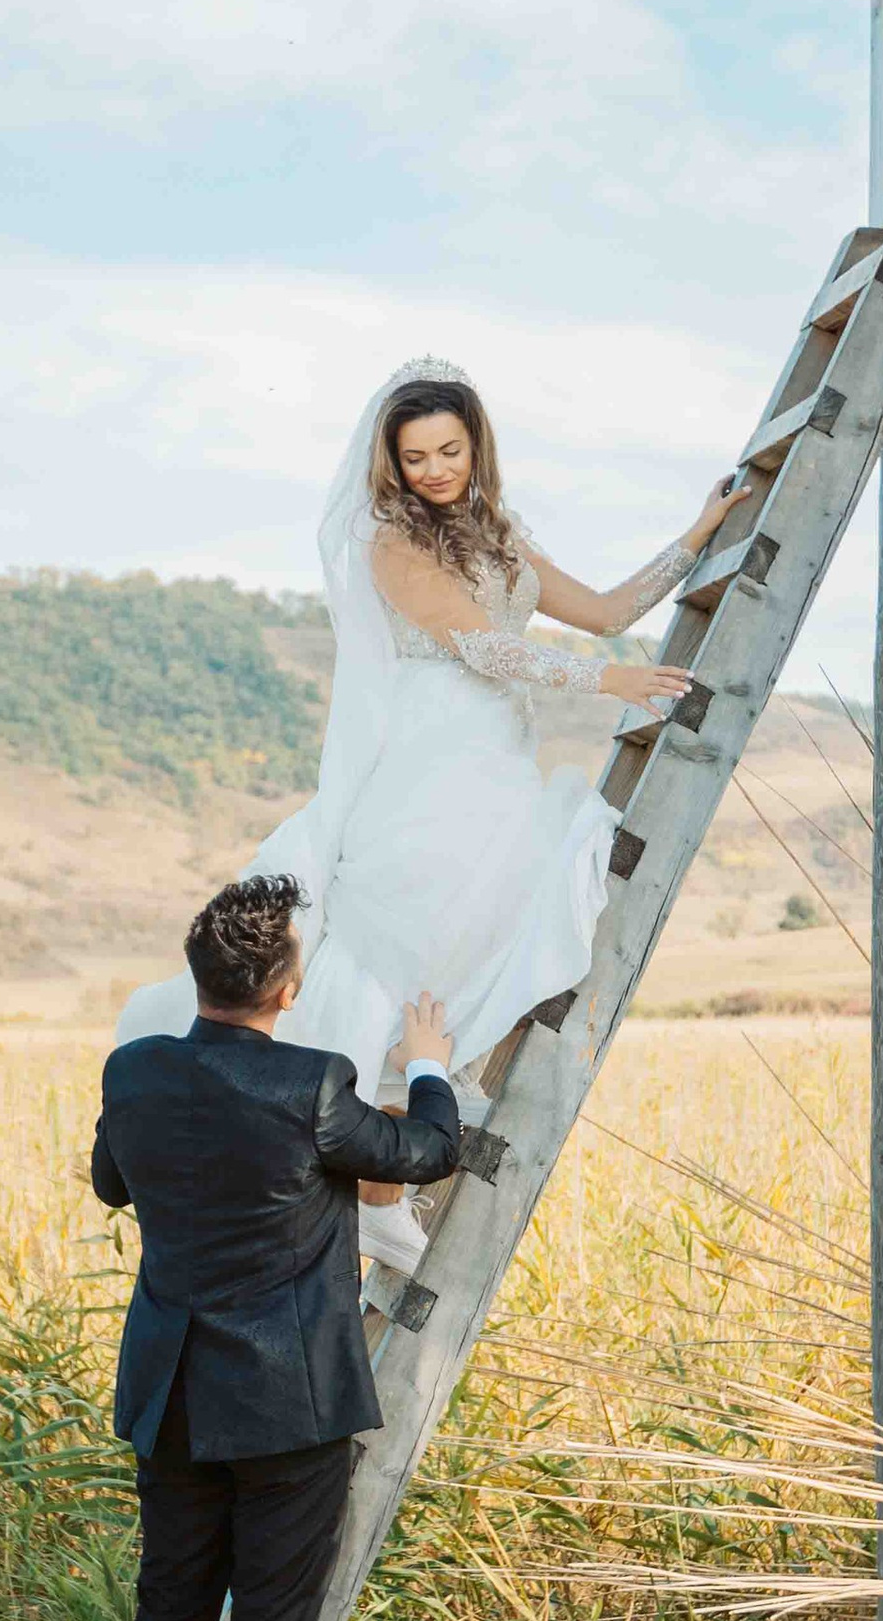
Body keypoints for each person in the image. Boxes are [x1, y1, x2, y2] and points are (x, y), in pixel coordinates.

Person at [115, 361, 747, 1270]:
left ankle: (394, 1163)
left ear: (475, 444)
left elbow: (608, 608)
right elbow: (484, 649)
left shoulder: (501, 534)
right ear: (393, 463)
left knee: (473, 926)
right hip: (432, 754)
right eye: (416, 458)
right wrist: (607, 680)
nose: (436, 470)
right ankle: (371, 1177)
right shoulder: (392, 545)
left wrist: (698, 532)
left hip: (495, 756)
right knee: (403, 934)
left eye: (450, 450)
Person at [87, 868, 462, 1621]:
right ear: (287, 991)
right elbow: (426, 1152)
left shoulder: (135, 1071)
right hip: (287, 1412)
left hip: (173, 1399)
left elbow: (113, 1182)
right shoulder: (314, 1084)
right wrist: (427, 1062)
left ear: (198, 976)